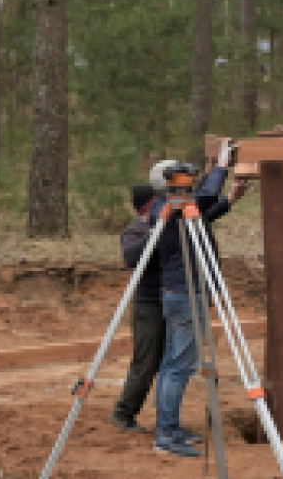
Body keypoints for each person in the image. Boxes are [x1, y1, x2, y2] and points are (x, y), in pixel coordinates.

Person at [139, 148, 248, 458]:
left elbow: (204, 212)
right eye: (182, 180)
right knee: (178, 367)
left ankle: (170, 428)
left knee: (172, 364)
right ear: (171, 185)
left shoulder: (168, 209)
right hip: (186, 294)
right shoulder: (170, 207)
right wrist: (222, 166)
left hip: (179, 294)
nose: (189, 185)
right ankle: (167, 437)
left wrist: (229, 201)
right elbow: (207, 195)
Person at [109, 182, 166, 433]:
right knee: (145, 363)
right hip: (148, 306)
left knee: (168, 363)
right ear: (149, 204)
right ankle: (123, 414)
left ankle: (166, 420)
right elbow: (132, 258)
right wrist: (155, 233)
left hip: (169, 302)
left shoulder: (164, 226)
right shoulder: (134, 231)